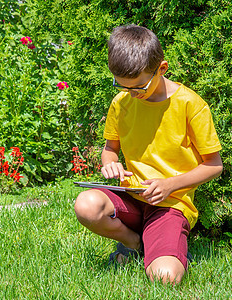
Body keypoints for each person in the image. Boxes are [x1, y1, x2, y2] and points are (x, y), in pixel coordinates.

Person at [74, 25, 223, 284]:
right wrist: (111, 165)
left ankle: (162, 245)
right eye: (121, 86)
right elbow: (110, 149)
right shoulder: (121, 103)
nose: (131, 94)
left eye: (139, 88)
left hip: (169, 204)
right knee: (86, 205)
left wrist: (170, 185)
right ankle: (133, 243)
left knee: (165, 277)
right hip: (131, 197)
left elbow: (214, 166)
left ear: (162, 69)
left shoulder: (190, 104)